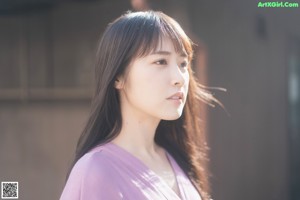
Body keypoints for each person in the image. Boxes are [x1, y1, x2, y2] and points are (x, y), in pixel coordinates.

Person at [60, 10, 218, 200]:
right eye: (160, 61)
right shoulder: (96, 170)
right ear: (118, 77)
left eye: (183, 64)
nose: (179, 78)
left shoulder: (176, 158)